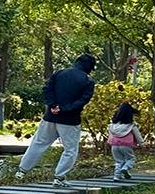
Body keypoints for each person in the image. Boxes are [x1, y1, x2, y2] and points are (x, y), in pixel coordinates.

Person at [15, 53, 96, 185]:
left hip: (50, 117)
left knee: (38, 143)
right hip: (70, 120)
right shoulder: (87, 81)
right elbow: (83, 100)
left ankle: (22, 171)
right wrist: (65, 108)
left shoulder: (60, 73)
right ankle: (59, 177)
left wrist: (52, 105)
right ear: (89, 67)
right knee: (70, 149)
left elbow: (47, 89)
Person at [107, 102, 144, 180]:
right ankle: (125, 168)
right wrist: (142, 144)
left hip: (114, 146)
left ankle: (116, 176)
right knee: (131, 159)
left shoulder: (112, 125)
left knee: (118, 161)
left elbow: (110, 135)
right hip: (126, 145)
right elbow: (138, 136)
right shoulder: (131, 125)